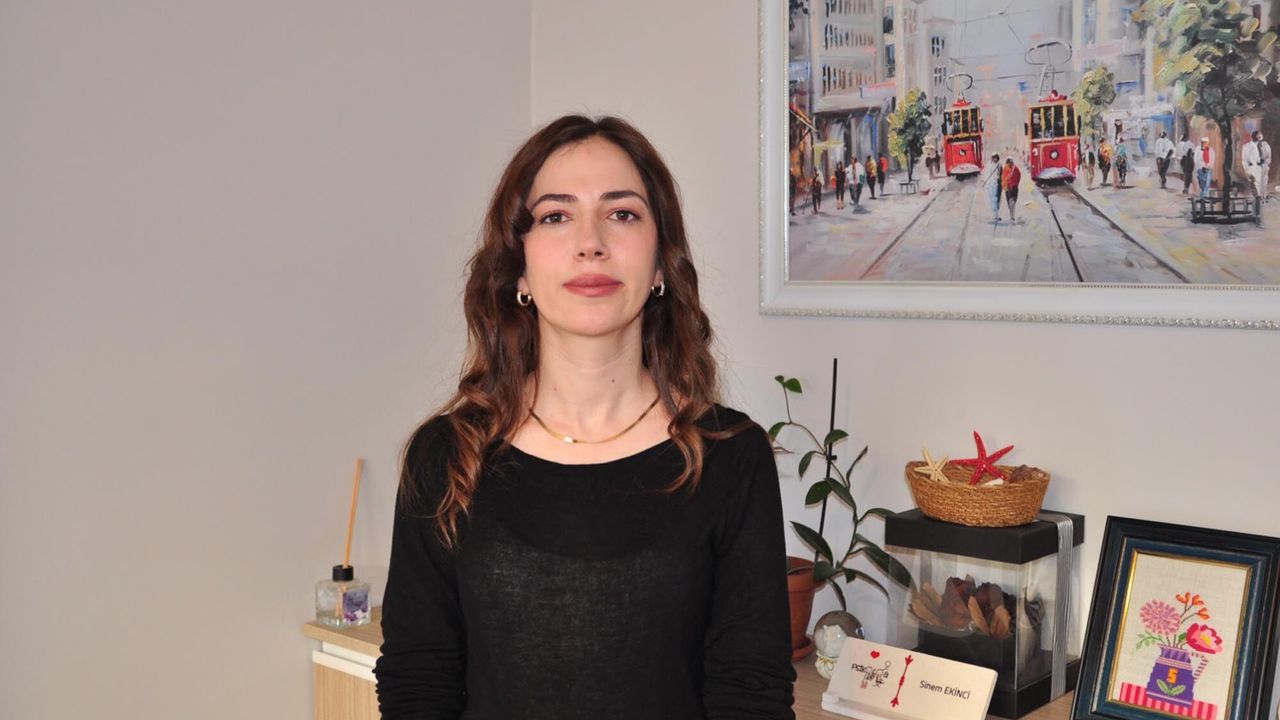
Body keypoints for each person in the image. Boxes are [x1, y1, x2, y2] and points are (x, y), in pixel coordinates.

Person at [372, 115, 796, 719]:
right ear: (519, 267)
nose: (590, 242)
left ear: (660, 264)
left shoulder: (731, 455)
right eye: (555, 216)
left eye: (622, 213)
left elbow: (751, 696)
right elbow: (419, 685)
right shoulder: (445, 457)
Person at [1243, 130, 1267, 200]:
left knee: (1260, 184)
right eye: (1259, 135)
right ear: (1254, 136)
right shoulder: (1247, 146)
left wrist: (1262, 161)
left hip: (1260, 168)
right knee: (1254, 184)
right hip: (1252, 169)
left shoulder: (1262, 146)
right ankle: (1257, 197)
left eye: (1261, 134)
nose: (1260, 136)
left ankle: (1259, 198)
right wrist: (1248, 171)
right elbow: (1245, 160)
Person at [1002, 158, 1021, 222]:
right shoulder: (1005, 168)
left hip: (1013, 187)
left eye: (1010, 163)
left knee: (1012, 202)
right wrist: (1004, 186)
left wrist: (1015, 184)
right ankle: (1011, 216)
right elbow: (1003, 177)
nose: (1009, 164)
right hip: (1008, 188)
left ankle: (1012, 217)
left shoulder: (1015, 169)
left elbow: (1018, 177)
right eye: (1008, 163)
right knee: (1009, 203)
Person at [987, 153, 1003, 222]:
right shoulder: (990, 165)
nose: (995, 159)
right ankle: (995, 216)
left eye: (996, 158)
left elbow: (1001, 175)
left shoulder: (999, 165)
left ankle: (996, 215)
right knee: (994, 200)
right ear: (992, 158)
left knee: (997, 200)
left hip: (998, 184)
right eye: (994, 158)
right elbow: (987, 174)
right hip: (992, 184)